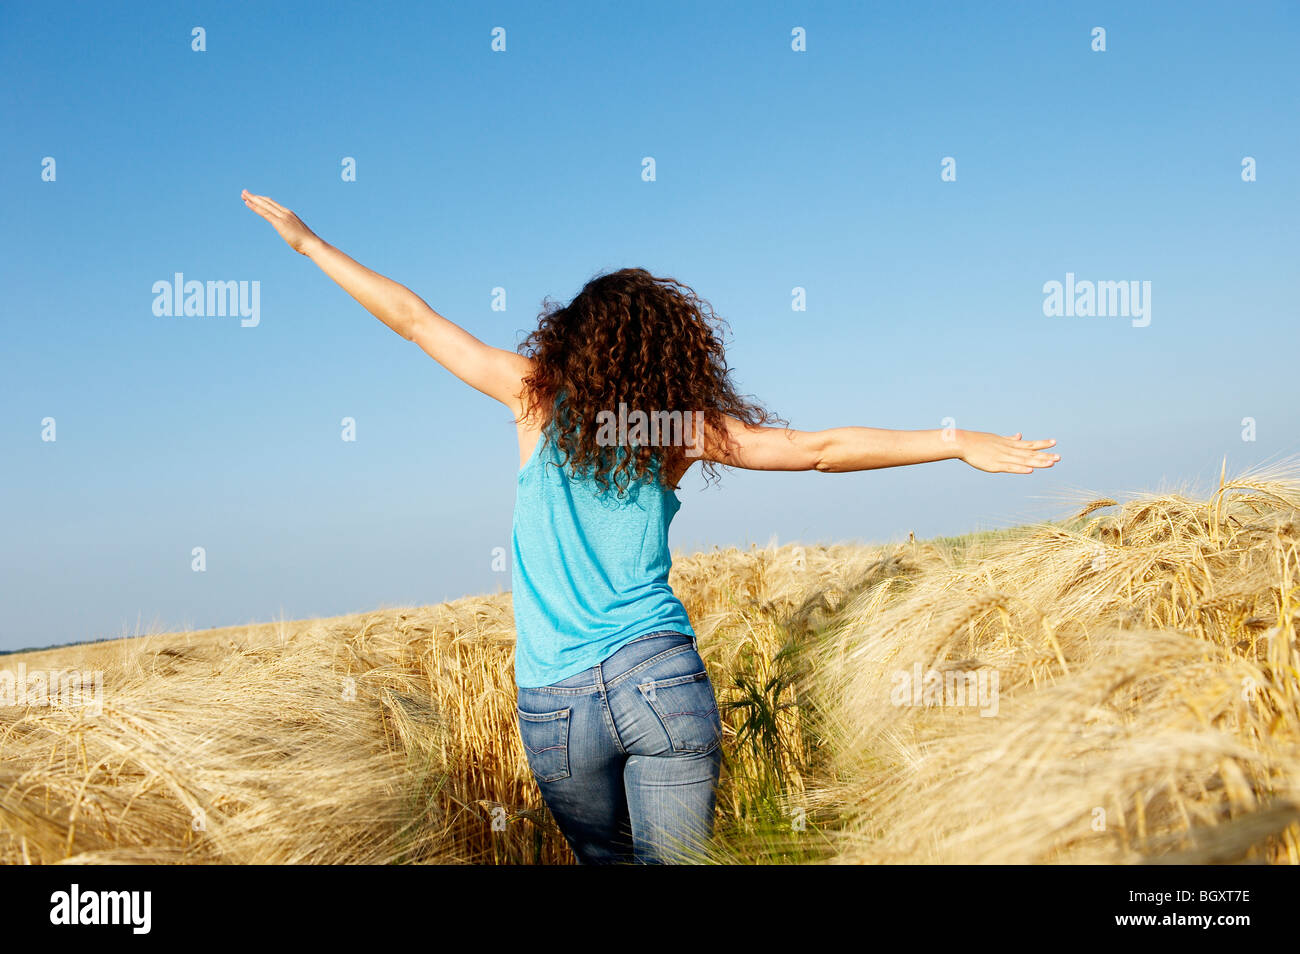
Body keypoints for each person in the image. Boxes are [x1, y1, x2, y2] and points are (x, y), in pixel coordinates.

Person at [240, 190, 1061, 864]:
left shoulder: (535, 399)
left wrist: (308, 244)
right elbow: (816, 450)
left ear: (573, 342)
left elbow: (415, 321)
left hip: (554, 702)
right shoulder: (672, 429)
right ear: (668, 352)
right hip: (656, 677)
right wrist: (954, 442)